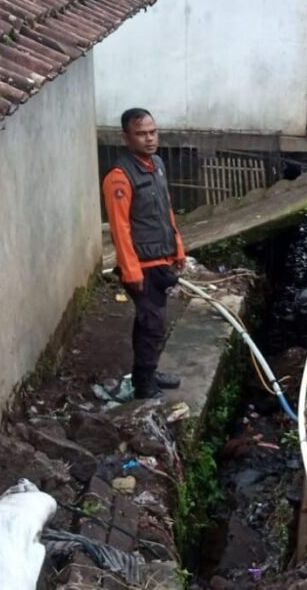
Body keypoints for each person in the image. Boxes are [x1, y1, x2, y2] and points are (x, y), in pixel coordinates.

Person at [102, 108, 186, 400]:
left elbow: (166, 208)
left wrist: (178, 247)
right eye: (141, 134)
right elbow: (119, 227)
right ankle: (144, 385)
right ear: (126, 138)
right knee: (152, 323)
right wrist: (131, 269)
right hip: (142, 264)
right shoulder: (119, 177)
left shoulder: (157, 164)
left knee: (152, 322)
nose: (149, 139)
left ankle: (146, 373)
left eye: (152, 132)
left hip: (161, 258)